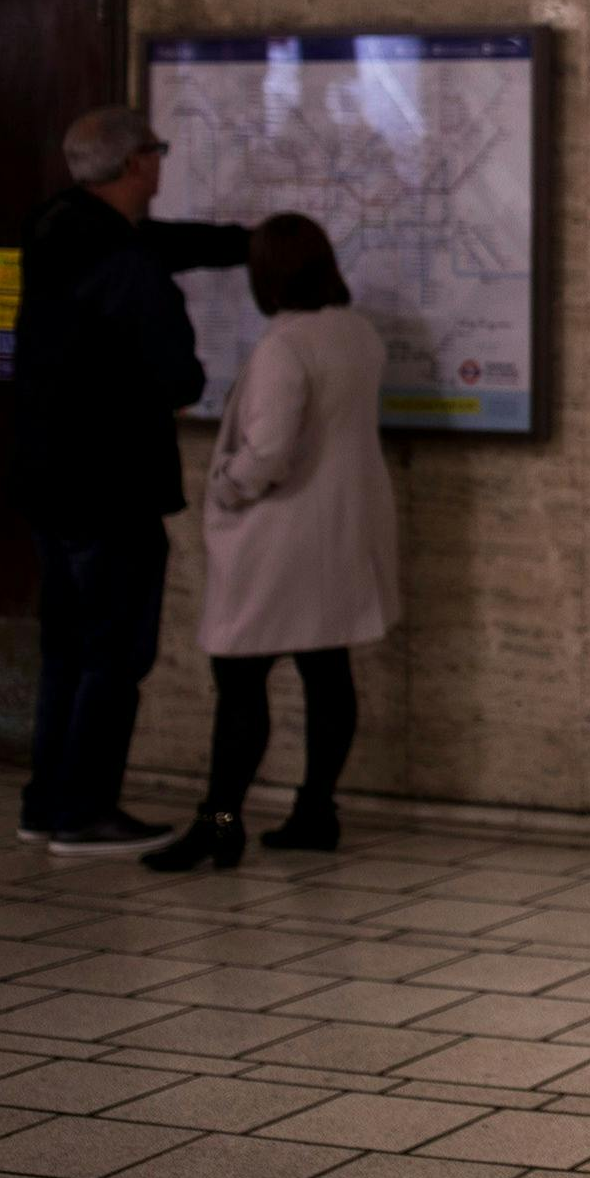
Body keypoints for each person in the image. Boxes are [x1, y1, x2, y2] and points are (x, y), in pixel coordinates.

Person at [12, 106, 250, 857]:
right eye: (156, 151)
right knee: (114, 650)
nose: (161, 161)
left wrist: (248, 244)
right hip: (112, 486)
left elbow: (163, 242)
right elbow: (180, 379)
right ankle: (85, 810)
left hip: (48, 479)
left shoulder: (56, 227)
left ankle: (47, 801)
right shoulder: (129, 266)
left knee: (66, 645)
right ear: (132, 166)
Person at [146, 215, 395, 872]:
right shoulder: (357, 332)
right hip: (339, 532)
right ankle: (316, 808)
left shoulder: (284, 348)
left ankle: (221, 820)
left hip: (276, 541)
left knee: (240, 677)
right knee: (326, 669)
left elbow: (268, 453)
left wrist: (224, 484)